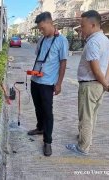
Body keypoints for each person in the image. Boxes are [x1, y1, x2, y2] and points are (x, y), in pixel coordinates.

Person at [66, 10, 109, 155]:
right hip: (98, 85)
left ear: (93, 25)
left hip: (90, 85)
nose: (81, 28)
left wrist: (105, 84)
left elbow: (95, 69)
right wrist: (105, 83)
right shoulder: (105, 40)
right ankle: (86, 139)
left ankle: (82, 147)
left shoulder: (94, 42)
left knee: (85, 117)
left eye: (83, 25)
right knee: (92, 115)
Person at [27, 12, 68, 156]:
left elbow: (63, 63)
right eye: (39, 29)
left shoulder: (62, 40)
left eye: (42, 28)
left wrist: (59, 83)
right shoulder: (41, 39)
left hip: (48, 83)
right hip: (35, 80)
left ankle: (48, 141)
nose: (41, 31)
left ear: (51, 23)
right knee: (38, 108)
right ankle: (40, 128)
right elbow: (39, 57)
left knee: (47, 112)